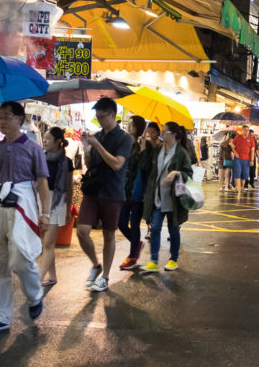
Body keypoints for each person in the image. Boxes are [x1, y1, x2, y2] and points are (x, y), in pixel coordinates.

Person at [0, 101, 49, 334]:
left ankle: (35, 295)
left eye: (7, 117)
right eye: (0, 117)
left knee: (21, 256)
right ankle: (0, 315)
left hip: (23, 201)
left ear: (20, 119)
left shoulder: (33, 148)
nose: (2, 121)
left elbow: (42, 182)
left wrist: (45, 213)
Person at [77, 97, 133, 292]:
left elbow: (117, 164)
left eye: (102, 117)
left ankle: (105, 277)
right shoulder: (98, 136)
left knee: (109, 234)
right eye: (97, 117)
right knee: (82, 231)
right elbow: (92, 163)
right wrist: (86, 147)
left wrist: (97, 145)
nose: (99, 120)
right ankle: (95, 265)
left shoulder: (124, 138)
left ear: (112, 115)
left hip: (112, 192)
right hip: (93, 190)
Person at [141, 122, 193, 272]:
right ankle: (154, 260)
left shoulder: (181, 152)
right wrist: (145, 148)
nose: (161, 134)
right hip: (157, 196)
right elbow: (146, 167)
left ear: (174, 134)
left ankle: (173, 259)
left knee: (173, 229)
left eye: (164, 132)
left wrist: (177, 174)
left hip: (174, 199)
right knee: (155, 228)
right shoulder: (157, 149)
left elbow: (189, 173)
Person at [39, 127, 74, 287]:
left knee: (47, 244)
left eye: (48, 138)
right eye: (44, 138)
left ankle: (37, 281)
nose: (44, 141)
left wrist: (68, 209)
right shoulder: (41, 157)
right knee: (45, 243)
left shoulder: (66, 162)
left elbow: (69, 186)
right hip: (42, 200)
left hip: (58, 201)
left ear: (58, 141)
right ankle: (52, 276)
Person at [118, 115, 148, 271]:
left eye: (131, 124)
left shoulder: (143, 145)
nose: (128, 126)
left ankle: (132, 256)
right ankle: (137, 244)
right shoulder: (126, 143)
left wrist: (143, 150)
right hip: (125, 189)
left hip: (138, 190)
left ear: (137, 127)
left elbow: (144, 167)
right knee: (121, 223)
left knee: (135, 223)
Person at [231, 125, 256, 196]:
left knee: (245, 174)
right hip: (238, 159)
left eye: (248, 130)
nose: (247, 131)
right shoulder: (237, 137)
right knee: (237, 173)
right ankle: (237, 188)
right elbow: (232, 146)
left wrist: (252, 160)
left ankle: (242, 187)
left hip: (247, 159)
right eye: (245, 130)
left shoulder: (251, 139)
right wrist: (235, 153)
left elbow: (252, 150)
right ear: (242, 130)